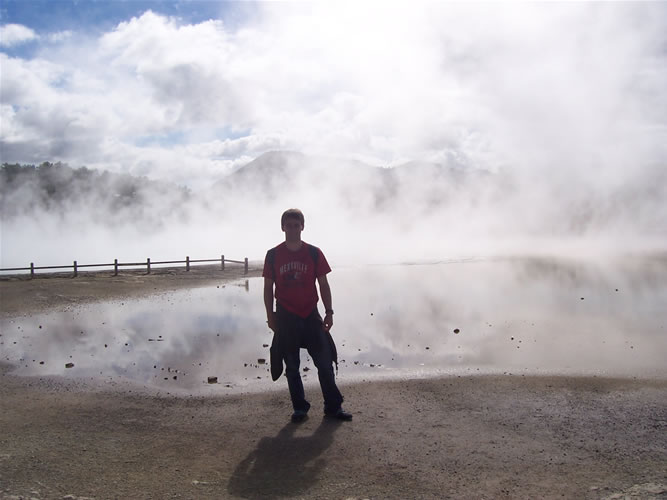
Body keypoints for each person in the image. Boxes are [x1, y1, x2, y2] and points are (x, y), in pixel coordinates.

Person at [263, 208, 352, 423]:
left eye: (296, 225)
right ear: (282, 227)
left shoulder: (314, 252)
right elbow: (267, 288)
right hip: (285, 315)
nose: (293, 229)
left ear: (302, 226)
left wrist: (329, 312)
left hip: (310, 314)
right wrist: (270, 316)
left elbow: (323, 284)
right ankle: (300, 408)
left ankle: (333, 406)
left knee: (324, 362)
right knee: (292, 366)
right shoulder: (273, 254)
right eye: (289, 225)